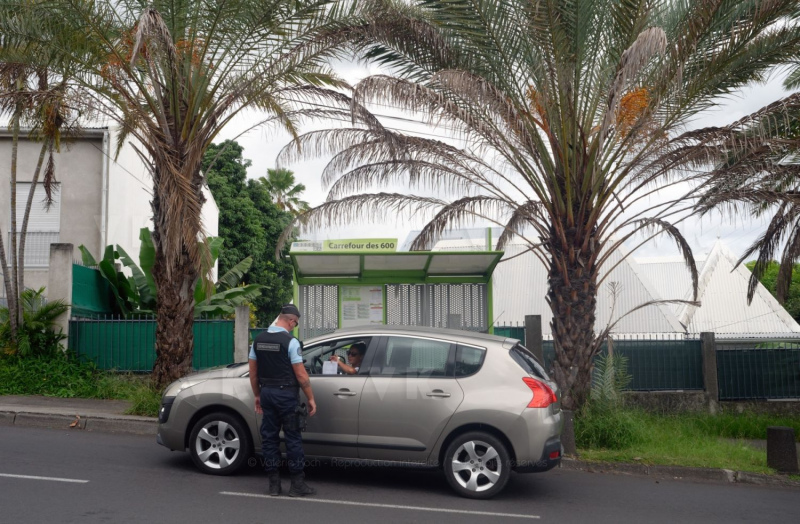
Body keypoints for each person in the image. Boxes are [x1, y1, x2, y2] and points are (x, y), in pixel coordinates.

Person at [249, 304, 317, 497]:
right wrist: (311, 398)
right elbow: (302, 376)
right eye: (295, 324)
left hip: (267, 394)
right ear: (291, 320)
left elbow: (253, 374)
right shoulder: (291, 342)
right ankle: (297, 485)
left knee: (269, 439)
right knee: (292, 439)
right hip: (286, 395)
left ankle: (274, 485)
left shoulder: (258, 340)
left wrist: (257, 395)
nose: (293, 327)